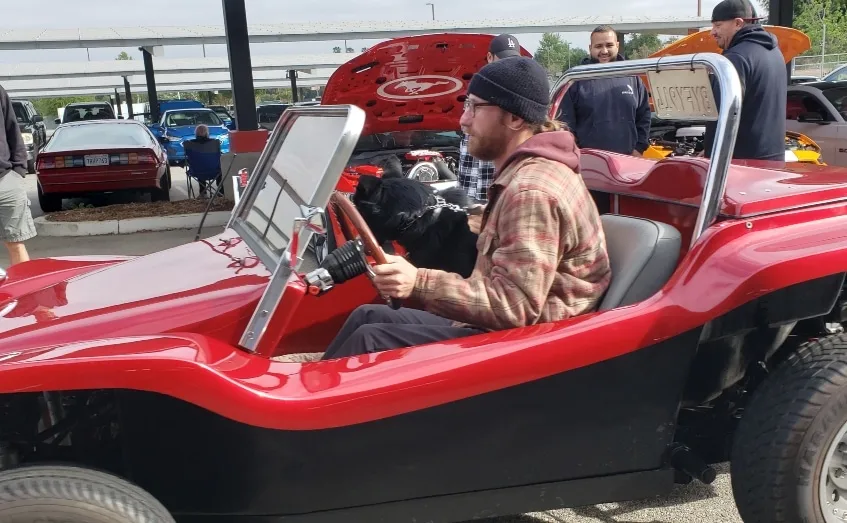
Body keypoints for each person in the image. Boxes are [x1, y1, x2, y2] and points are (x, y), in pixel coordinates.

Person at [321, 57, 612, 360]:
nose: (463, 120)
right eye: (465, 107)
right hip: (517, 328)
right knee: (367, 316)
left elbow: (516, 308)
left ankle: (315, 404)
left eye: (475, 107)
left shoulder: (530, 191)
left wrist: (417, 282)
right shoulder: (528, 174)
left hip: (535, 345)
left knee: (371, 339)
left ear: (514, 118)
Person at [702, 0, 786, 161]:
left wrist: (711, 155)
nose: (712, 32)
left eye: (718, 25)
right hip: (773, 158)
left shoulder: (735, 58)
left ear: (738, 23)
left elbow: (722, 115)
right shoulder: (775, 52)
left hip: (741, 163)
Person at [556, 25, 651, 157]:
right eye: (598, 46)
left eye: (609, 45)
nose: (604, 51)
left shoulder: (632, 77)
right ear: (590, 48)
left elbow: (644, 116)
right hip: (589, 163)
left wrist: (639, 148)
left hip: (629, 160)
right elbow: (565, 125)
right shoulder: (575, 80)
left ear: (617, 46)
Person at [457, 33, 522, 202]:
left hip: (503, 185)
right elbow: (468, 130)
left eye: (512, 59)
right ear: (489, 57)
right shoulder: (478, 90)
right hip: (474, 181)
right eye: (502, 59)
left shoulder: (521, 93)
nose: (507, 65)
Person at [0, 83, 36, 266]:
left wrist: (19, 170)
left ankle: (23, 292)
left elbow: (12, 127)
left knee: (16, 243)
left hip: (5, 180)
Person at [183, 124, 222, 196]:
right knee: (219, 169)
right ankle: (221, 191)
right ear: (207, 133)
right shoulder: (215, 143)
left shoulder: (188, 144)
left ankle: (203, 191)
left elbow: (187, 158)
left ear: (196, 133)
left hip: (196, 171)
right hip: (215, 171)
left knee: (199, 164)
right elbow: (219, 156)